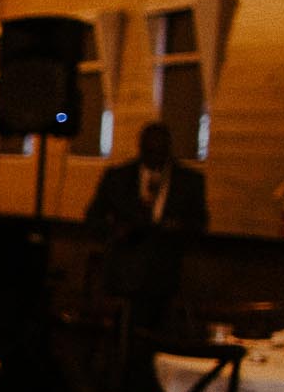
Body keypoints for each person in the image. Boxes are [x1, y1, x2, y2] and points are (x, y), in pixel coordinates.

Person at [85, 121, 209, 333]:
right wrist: (116, 230)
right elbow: (93, 217)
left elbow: (200, 223)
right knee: (124, 333)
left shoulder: (188, 181)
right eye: (150, 151)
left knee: (159, 331)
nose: (155, 158)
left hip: (166, 273)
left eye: (160, 152)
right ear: (141, 149)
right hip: (124, 272)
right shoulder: (118, 177)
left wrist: (178, 227)